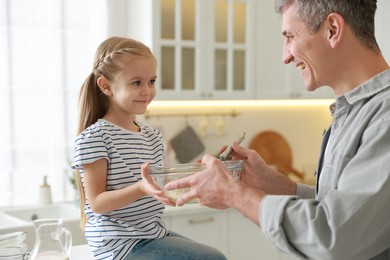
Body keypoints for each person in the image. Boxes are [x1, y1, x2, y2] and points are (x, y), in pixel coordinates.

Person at [163, 0, 390, 259]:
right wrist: (276, 186)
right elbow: (341, 210)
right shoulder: (354, 111)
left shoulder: (385, 118)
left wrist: (233, 193)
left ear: (333, 29)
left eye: (290, 36)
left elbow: (333, 237)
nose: (286, 56)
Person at [72, 36, 227, 260]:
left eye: (151, 81)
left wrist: (194, 173)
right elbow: (97, 204)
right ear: (106, 86)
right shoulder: (95, 138)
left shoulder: (152, 136)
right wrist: (141, 188)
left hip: (151, 233)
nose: (147, 91)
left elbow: (157, 184)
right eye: (137, 83)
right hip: (118, 245)